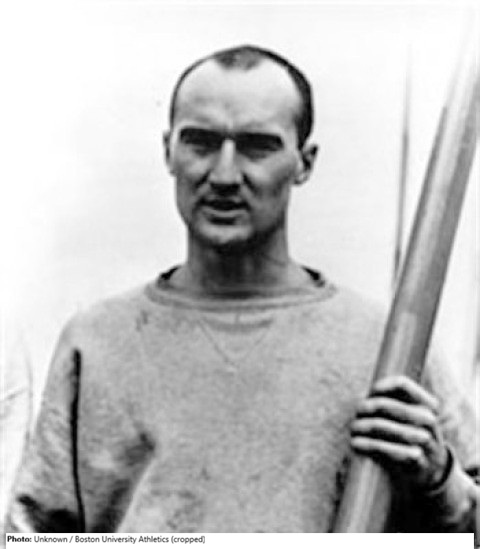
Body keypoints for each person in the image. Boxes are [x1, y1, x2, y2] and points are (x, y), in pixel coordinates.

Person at [6, 45, 478, 534]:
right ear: (168, 151)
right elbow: (34, 537)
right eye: (201, 142)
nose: (225, 175)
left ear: (305, 162)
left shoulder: (384, 346)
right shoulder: (97, 342)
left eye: (257, 146)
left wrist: (442, 482)